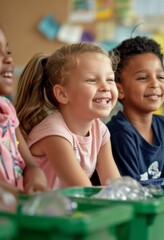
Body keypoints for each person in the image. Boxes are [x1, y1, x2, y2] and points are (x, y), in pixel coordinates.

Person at [15, 42, 121, 190]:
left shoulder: (100, 131)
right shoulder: (53, 133)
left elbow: (115, 186)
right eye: (91, 80)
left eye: (110, 79)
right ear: (62, 94)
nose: (105, 87)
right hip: (43, 211)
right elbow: (82, 191)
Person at [107, 36, 164, 181]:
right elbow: (132, 191)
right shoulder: (120, 133)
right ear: (120, 90)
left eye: (160, 77)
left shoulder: (163, 125)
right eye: (143, 78)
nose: (155, 84)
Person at [0, 26, 47, 194]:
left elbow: (29, 164)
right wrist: (16, 197)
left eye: (8, 51)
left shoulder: (7, 110)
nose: (8, 59)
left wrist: (36, 180)